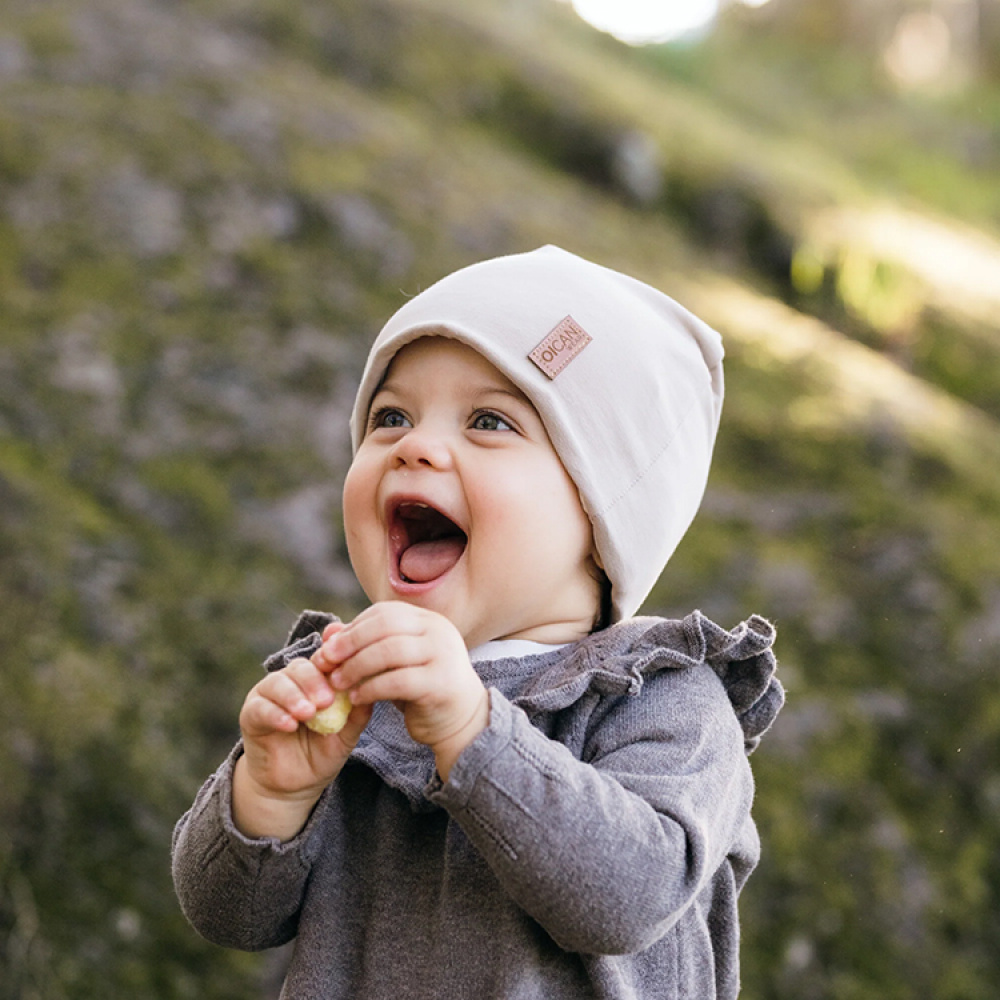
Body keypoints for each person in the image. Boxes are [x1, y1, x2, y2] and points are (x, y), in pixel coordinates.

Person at [171, 245, 783, 999]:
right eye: (390, 417)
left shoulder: (664, 696)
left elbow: (628, 899)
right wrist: (270, 796)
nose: (417, 447)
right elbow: (229, 917)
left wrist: (471, 731)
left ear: (601, 514)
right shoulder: (354, 691)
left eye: (490, 421)